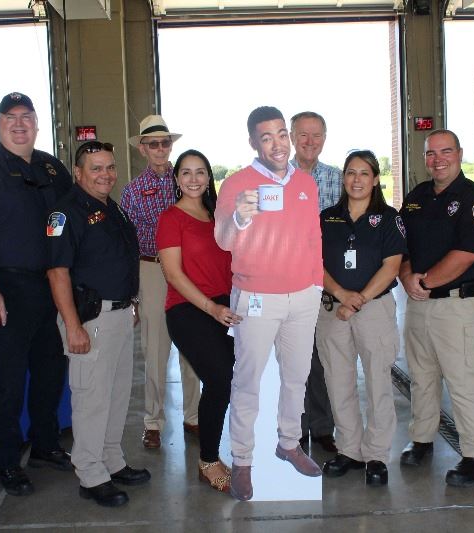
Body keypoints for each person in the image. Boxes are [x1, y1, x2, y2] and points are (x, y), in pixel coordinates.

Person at [0, 92, 73, 496]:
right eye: (10, 117)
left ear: (38, 124)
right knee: (8, 380)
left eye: (27, 117)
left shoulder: (52, 168)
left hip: (50, 287)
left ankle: (45, 444)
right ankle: (6, 461)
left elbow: (70, 225)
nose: (19, 124)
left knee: (50, 372)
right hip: (6, 287)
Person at [214, 106, 323, 501]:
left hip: (303, 297)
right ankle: (242, 460)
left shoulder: (304, 183)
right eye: (267, 137)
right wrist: (240, 218)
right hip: (256, 298)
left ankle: (289, 443)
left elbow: (313, 237)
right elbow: (223, 240)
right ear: (253, 143)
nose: (277, 144)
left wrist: (316, 283)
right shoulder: (236, 185)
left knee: (296, 376)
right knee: (248, 381)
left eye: (281, 134)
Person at [45, 141, 150, 506]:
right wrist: (73, 327)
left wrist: (131, 304)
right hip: (90, 319)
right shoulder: (66, 212)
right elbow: (58, 273)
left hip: (119, 314)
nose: (105, 174)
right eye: (95, 168)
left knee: (118, 395)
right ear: (78, 172)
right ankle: (90, 475)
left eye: (109, 167)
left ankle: (111, 460)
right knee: (92, 399)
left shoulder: (112, 208)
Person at [398, 129, 474, 487]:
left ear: (459, 153)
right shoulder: (417, 197)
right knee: (422, 378)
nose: (437, 159)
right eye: (430, 153)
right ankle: (422, 439)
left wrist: (423, 283)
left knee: (465, 381)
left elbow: (466, 254)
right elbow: (401, 243)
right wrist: (407, 275)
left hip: (458, 307)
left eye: (445, 151)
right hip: (419, 306)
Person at [317, 150, 406, 486]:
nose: (356, 180)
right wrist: (342, 295)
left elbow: (392, 266)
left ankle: (376, 455)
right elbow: (316, 264)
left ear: (376, 178)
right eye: (351, 173)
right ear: (343, 178)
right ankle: (349, 450)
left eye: (364, 173)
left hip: (374, 309)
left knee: (378, 382)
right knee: (338, 382)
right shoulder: (327, 218)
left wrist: (358, 300)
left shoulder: (388, 218)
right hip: (332, 309)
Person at [156, 149, 241, 494]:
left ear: (209, 178)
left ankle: (227, 452)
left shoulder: (219, 215)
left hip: (225, 307)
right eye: (186, 172)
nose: (194, 179)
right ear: (177, 179)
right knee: (220, 379)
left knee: (229, 381)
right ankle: (207, 461)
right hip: (189, 310)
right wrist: (211, 308)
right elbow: (174, 276)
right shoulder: (170, 219)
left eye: (200, 172)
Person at [121, 115, 201, 449]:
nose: (159, 149)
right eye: (152, 143)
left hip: (188, 268)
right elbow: (125, 244)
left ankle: (194, 416)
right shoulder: (132, 192)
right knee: (154, 347)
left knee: (193, 346)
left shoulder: (186, 180)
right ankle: (153, 420)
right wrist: (133, 296)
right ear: (142, 148)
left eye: (165, 143)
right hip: (151, 269)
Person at [290, 111, 341, 453]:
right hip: (288, 285)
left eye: (317, 135)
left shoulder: (339, 180)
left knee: (324, 359)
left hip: (328, 285)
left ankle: (322, 428)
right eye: (303, 135)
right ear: (292, 137)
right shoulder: (276, 178)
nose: (310, 142)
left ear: (325, 137)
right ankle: (294, 428)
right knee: (292, 360)